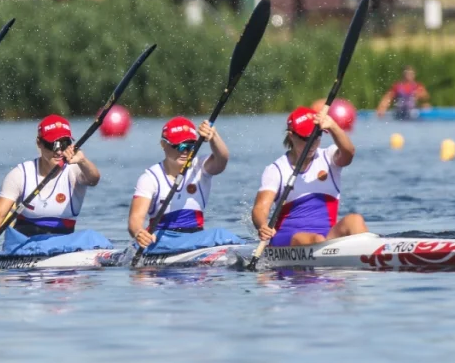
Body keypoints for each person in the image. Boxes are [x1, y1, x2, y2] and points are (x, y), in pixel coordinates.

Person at [0, 115, 112, 257]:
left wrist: (83, 161)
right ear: (39, 143)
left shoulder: (75, 169)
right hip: (25, 246)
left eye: (64, 144)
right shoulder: (20, 174)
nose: (59, 151)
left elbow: (93, 179)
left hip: (63, 244)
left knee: (92, 237)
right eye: (52, 145)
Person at [252, 106, 368, 248]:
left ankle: (370, 257)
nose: (312, 143)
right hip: (287, 238)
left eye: (317, 136)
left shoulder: (329, 157)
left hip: (326, 237)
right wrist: (262, 225)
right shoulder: (276, 170)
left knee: (355, 220)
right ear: (291, 135)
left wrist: (333, 126)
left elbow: (349, 153)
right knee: (316, 240)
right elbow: (260, 209)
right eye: (305, 138)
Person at [128, 117, 242, 255]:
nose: (185, 152)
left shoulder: (200, 167)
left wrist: (213, 137)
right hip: (161, 241)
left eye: (190, 146)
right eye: (180, 146)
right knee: (219, 235)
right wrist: (139, 233)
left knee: (222, 234)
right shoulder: (150, 178)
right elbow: (135, 220)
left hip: (196, 238)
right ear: (163, 144)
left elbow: (222, 159)